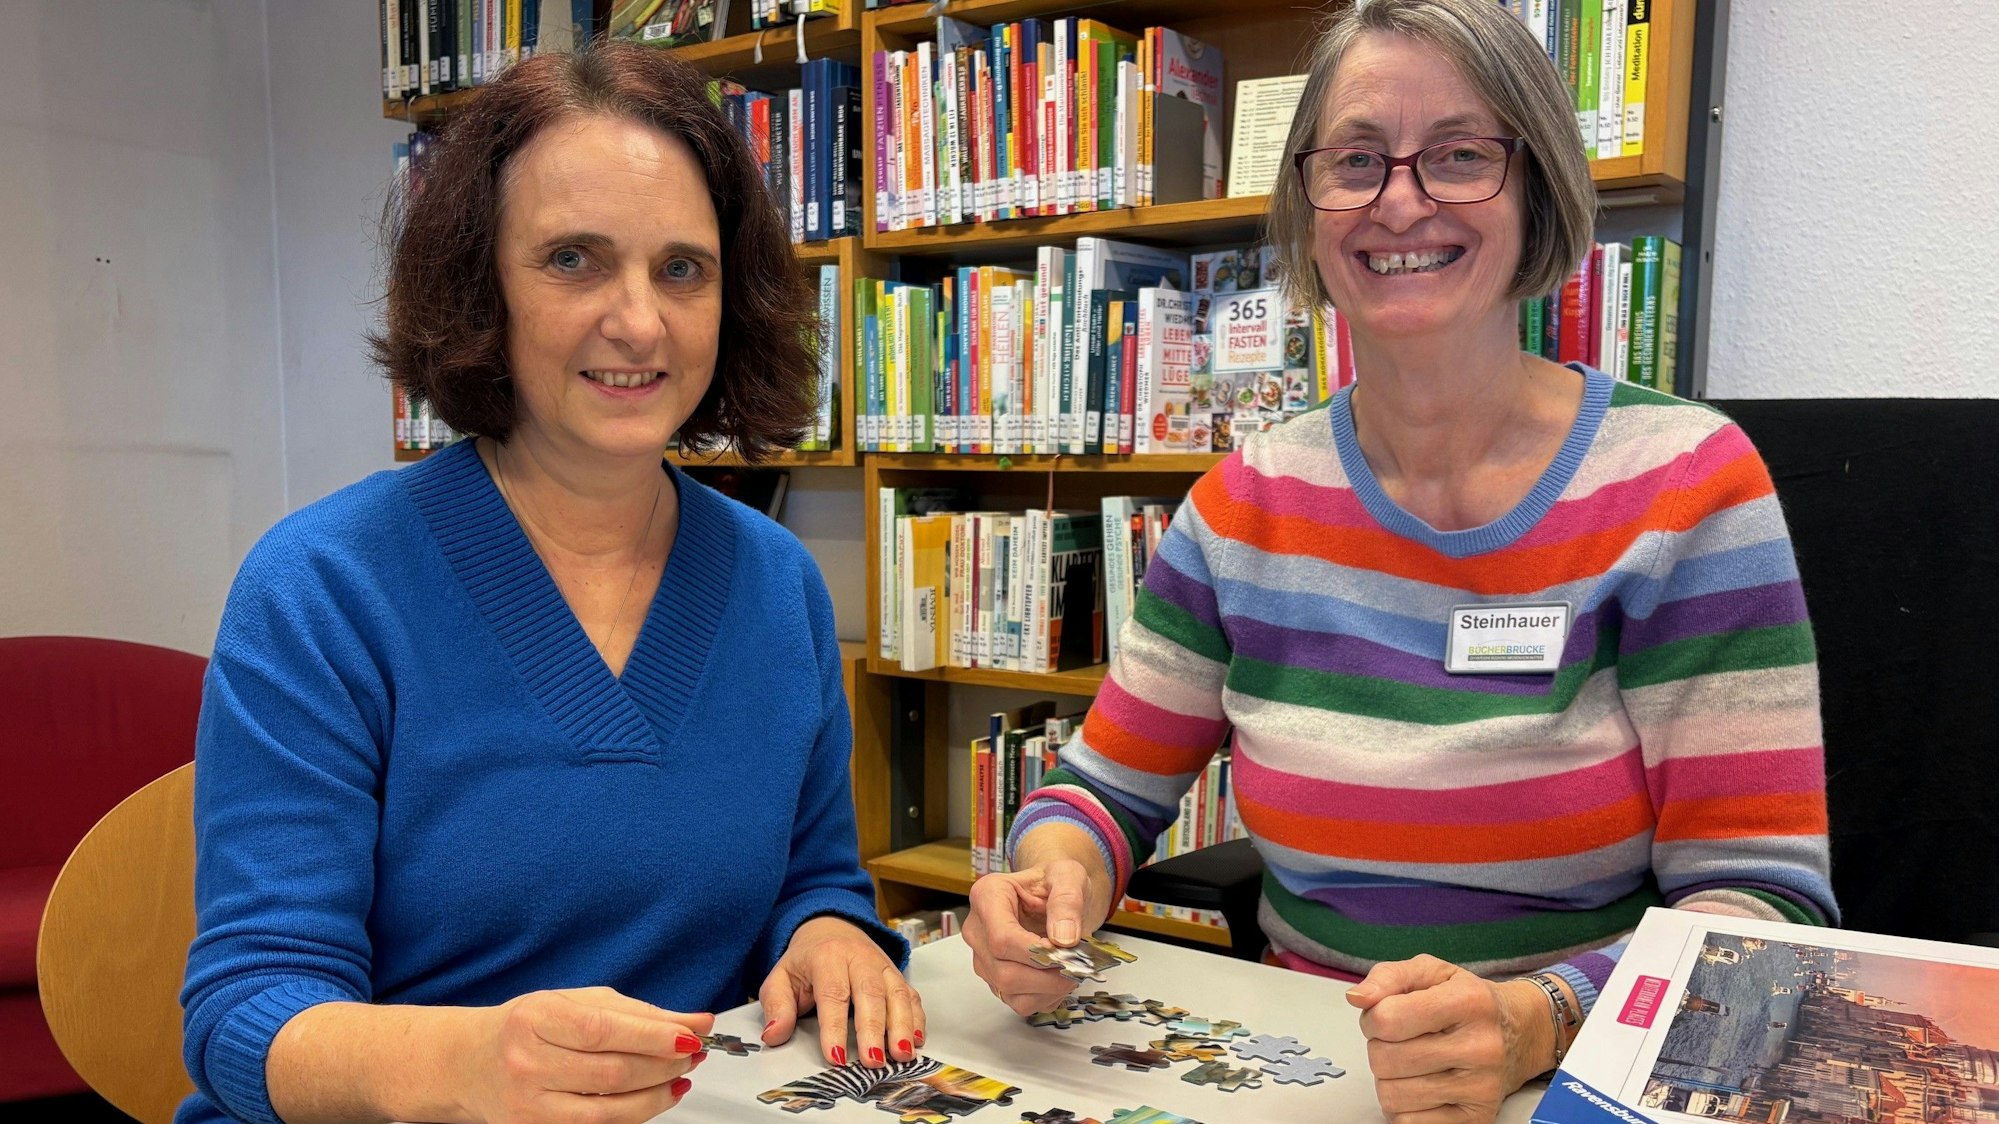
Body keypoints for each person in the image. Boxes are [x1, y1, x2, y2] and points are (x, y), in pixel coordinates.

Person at [963, 1, 1836, 1120]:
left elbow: (1765, 908)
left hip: (1580, 1068)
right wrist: (1050, 876)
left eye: (1462, 155)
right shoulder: (1245, 506)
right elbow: (1101, 790)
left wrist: (1542, 1014)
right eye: (1358, 159)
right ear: (1307, 203)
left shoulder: (1684, 486)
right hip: (1308, 1071)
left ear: (1537, 192)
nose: (1401, 200)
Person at [179, 42, 923, 1124]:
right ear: (481, 284)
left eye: (683, 267)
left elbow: (812, 878)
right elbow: (245, 1009)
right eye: (572, 259)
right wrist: (466, 1062)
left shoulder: (778, 585)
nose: (639, 321)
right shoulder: (321, 588)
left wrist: (827, 933)